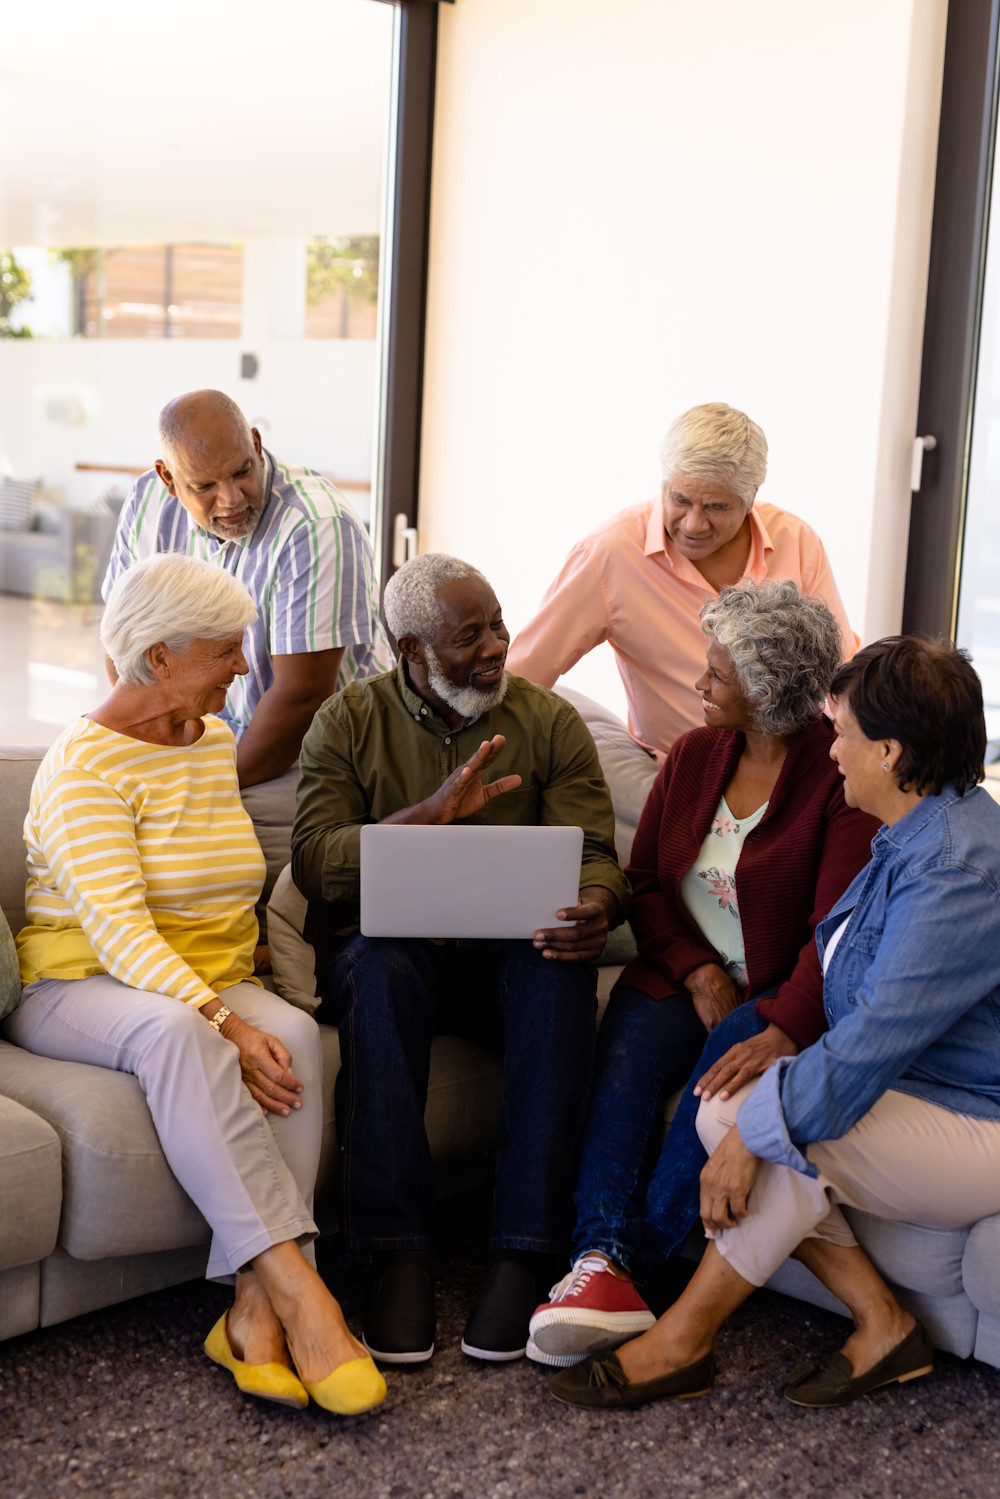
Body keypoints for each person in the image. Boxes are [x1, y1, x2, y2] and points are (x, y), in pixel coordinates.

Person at [547, 635, 1000, 1410]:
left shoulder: (957, 866)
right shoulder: (914, 830)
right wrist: (759, 1117)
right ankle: (883, 1320)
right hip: (917, 1090)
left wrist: (757, 1134)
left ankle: (681, 1337)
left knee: (772, 1132)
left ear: (890, 751)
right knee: (738, 1108)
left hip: (976, 1120)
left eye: (845, 733)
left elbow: (874, 1034)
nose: (833, 752)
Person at [5, 555, 385, 1417]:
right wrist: (219, 1016)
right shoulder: (81, 772)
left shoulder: (210, 741)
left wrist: (241, 998)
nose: (246, 667)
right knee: (177, 1033)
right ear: (159, 658)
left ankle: (251, 1314)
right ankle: (303, 1292)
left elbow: (224, 887)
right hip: (79, 985)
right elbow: (121, 933)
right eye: (227, 650)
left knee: (287, 1033)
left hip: (201, 975)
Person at [527, 581, 878, 1367]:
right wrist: (690, 967)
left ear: (766, 690)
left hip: (782, 998)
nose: (699, 684)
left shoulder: (838, 781)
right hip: (681, 975)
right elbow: (645, 881)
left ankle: (638, 1267)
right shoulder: (691, 755)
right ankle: (600, 1257)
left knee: (713, 1090)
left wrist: (777, 1017)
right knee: (624, 1067)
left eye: (716, 674)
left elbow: (835, 940)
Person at [291, 553, 629, 1367]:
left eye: (498, 624)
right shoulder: (347, 720)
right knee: (376, 968)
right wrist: (427, 817)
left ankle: (523, 1249)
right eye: (468, 634)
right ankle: (395, 1253)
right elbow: (314, 860)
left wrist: (597, 905)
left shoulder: (550, 722)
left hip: (504, 959)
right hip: (392, 955)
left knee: (558, 973)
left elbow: (595, 852)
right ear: (410, 650)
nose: (496, 646)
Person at [102, 389, 393, 893]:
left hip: (310, 752)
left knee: (186, 849)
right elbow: (124, 647)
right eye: (206, 485)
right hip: (202, 738)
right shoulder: (146, 503)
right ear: (167, 479)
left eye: (241, 471)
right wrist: (150, 754)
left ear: (257, 445)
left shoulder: (317, 525)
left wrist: (197, 785)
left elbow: (302, 697)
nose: (232, 499)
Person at [506, 402, 857, 774]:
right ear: (663, 485)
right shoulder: (608, 554)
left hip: (788, 764)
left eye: (715, 507)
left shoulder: (796, 541)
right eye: (680, 500)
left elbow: (839, 671)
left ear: (750, 498)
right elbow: (525, 674)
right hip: (676, 769)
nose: (693, 524)